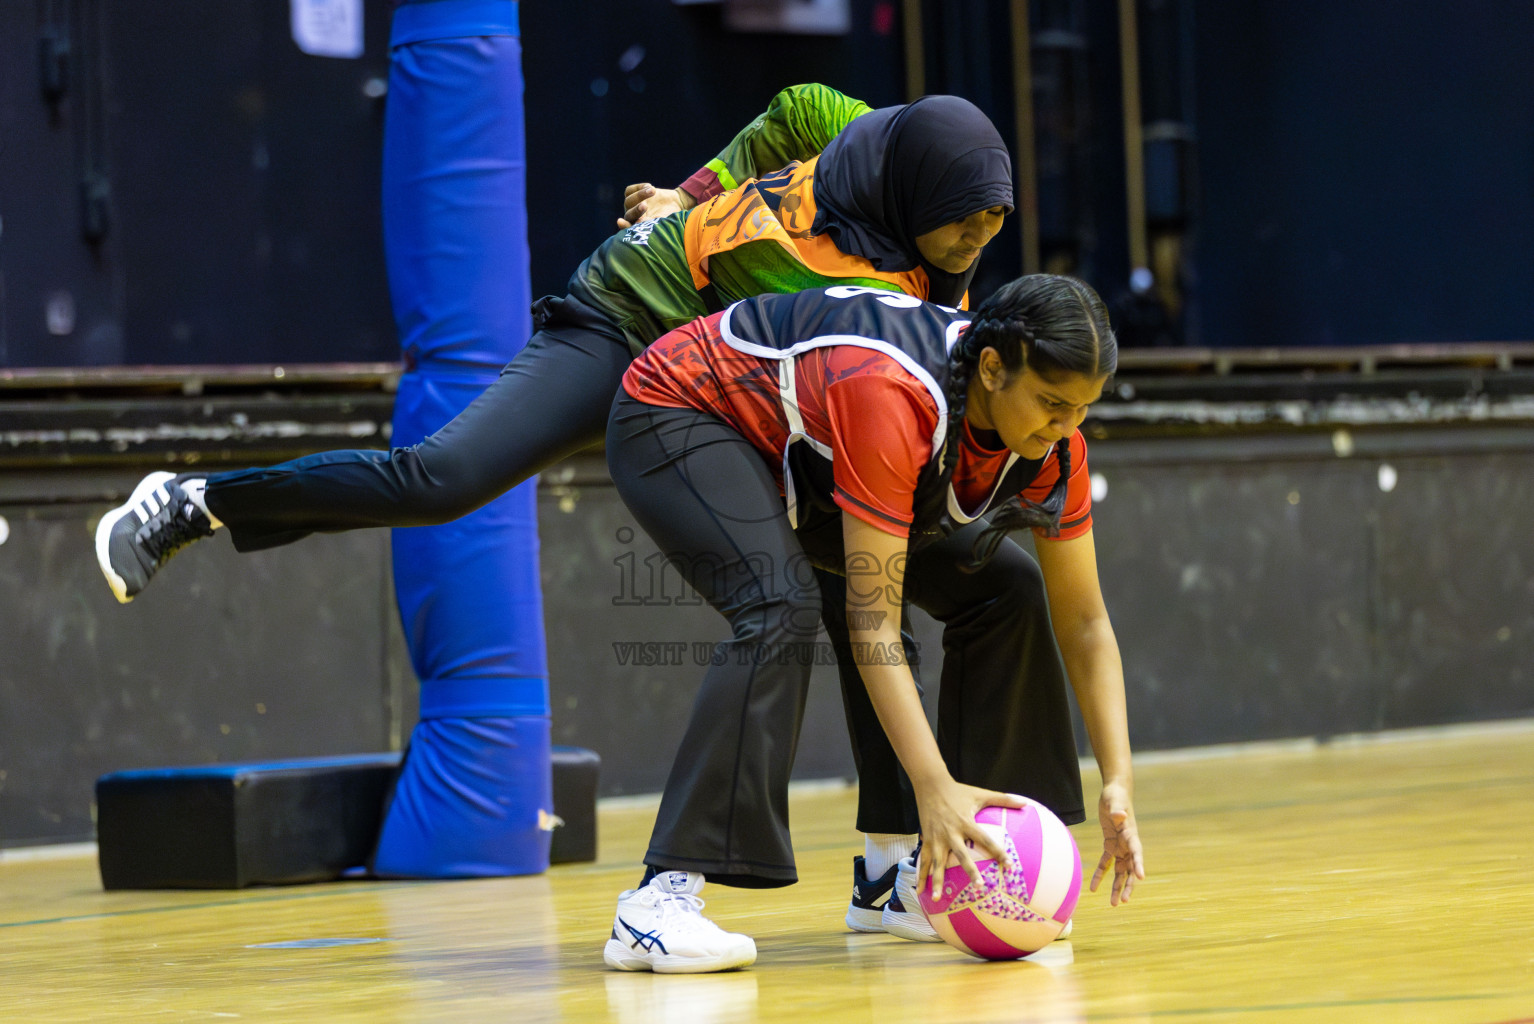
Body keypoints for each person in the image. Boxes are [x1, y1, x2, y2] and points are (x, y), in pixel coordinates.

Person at [93, 83, 1017, 921]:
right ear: (913, 191)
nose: (972, 246)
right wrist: (694, 194)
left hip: (736, 380)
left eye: (989, 228)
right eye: (960, 227)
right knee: (440, 480)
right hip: (627, 325)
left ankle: (887, 867)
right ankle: (196, 500)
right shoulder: (853, 229)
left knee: (859, 578)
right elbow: (794, 105)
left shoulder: (916, 248)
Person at [600, 276, 1144, 972]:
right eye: (1051, 404)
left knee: (1006, 589)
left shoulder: (1054, 447)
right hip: (684, 410)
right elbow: (873, 622)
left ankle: (958, 868)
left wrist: (1118, 781)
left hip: (809, 465)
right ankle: (655, 901)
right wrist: (933, 786)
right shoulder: (893, 393)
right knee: (779, 604)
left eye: (1082, 410)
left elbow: (1088, 625)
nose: (1066, 427)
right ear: (990, 369)